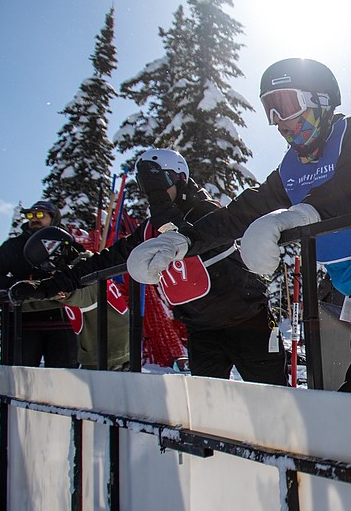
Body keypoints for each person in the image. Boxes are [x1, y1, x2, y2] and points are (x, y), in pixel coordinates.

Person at [126, 59, 351, 399]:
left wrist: (303, 214)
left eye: (287, 105)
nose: (280, 122)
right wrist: (184, 241)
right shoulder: (291, 171)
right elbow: (239, 213)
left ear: (321, 100)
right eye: (270, 110)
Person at [22, 149, 287, 385]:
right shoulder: (150, 230)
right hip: (202, 331)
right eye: (147, 188)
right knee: (209, 406)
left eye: (160, 184)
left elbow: (186, 232)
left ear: (181, 180)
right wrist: (51, 285)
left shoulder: (206, 212)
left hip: (250, 322)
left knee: (272, 400)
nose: (153, 195)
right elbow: (105, 261)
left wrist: (161, 202)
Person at [0, 200, 78, 368]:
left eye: (40, 215)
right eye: (30, 215)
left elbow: (82, 273)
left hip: (63, 321)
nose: (34, 219)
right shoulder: (14, 246)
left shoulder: (67, 244)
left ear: (54, 218)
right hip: (22, 323)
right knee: (18, 382)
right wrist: (16, 286)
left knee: (64, 381)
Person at [18, 226, 131, 371]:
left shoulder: (85, 275)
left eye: (46, 265)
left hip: (110, 355)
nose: (49, 272)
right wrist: (16, 300)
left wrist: (44, 290)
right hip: (103, 352)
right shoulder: (82, 270)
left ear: (58, 254)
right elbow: (50, 301)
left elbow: (77, 295)